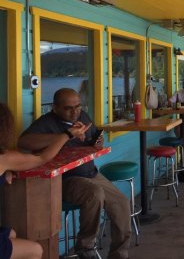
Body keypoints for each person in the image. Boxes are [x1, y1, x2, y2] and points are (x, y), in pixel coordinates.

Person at [17, 88, 131, 259]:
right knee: (94, 194)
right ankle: (85, 247)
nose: (75, 111)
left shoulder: (83, 116)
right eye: (68, 108)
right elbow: (24, 142)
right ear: (54, 108)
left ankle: (119, 255)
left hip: (91, 173)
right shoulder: (46, 123)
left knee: (122, 203)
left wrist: (99, 141)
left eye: (78, 106)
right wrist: (64, 135)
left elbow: (96, 136)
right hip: (66, 179)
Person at [0, 103, 89, 259]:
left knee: (11, 233)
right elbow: (42, 158)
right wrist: (67, 134)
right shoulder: (4, 158)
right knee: (36, 250)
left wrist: (6, 171)